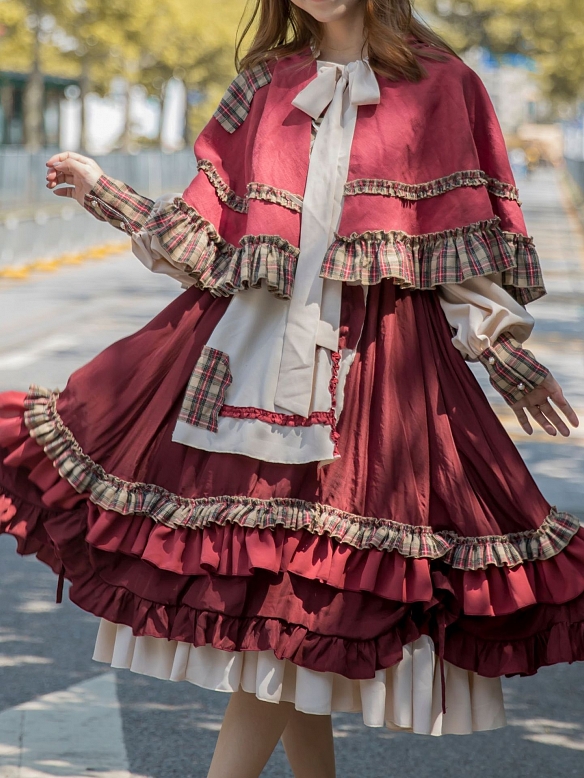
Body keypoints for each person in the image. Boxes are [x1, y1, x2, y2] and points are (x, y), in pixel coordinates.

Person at [1, 1, 582, 776]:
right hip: (244, 366)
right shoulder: (263, 84)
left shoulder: (444, 83)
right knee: (288, 614)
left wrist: (507, 357)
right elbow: (204, 244)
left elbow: (461, 250)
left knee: (305, 612)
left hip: (378, 383)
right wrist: (105, 191)